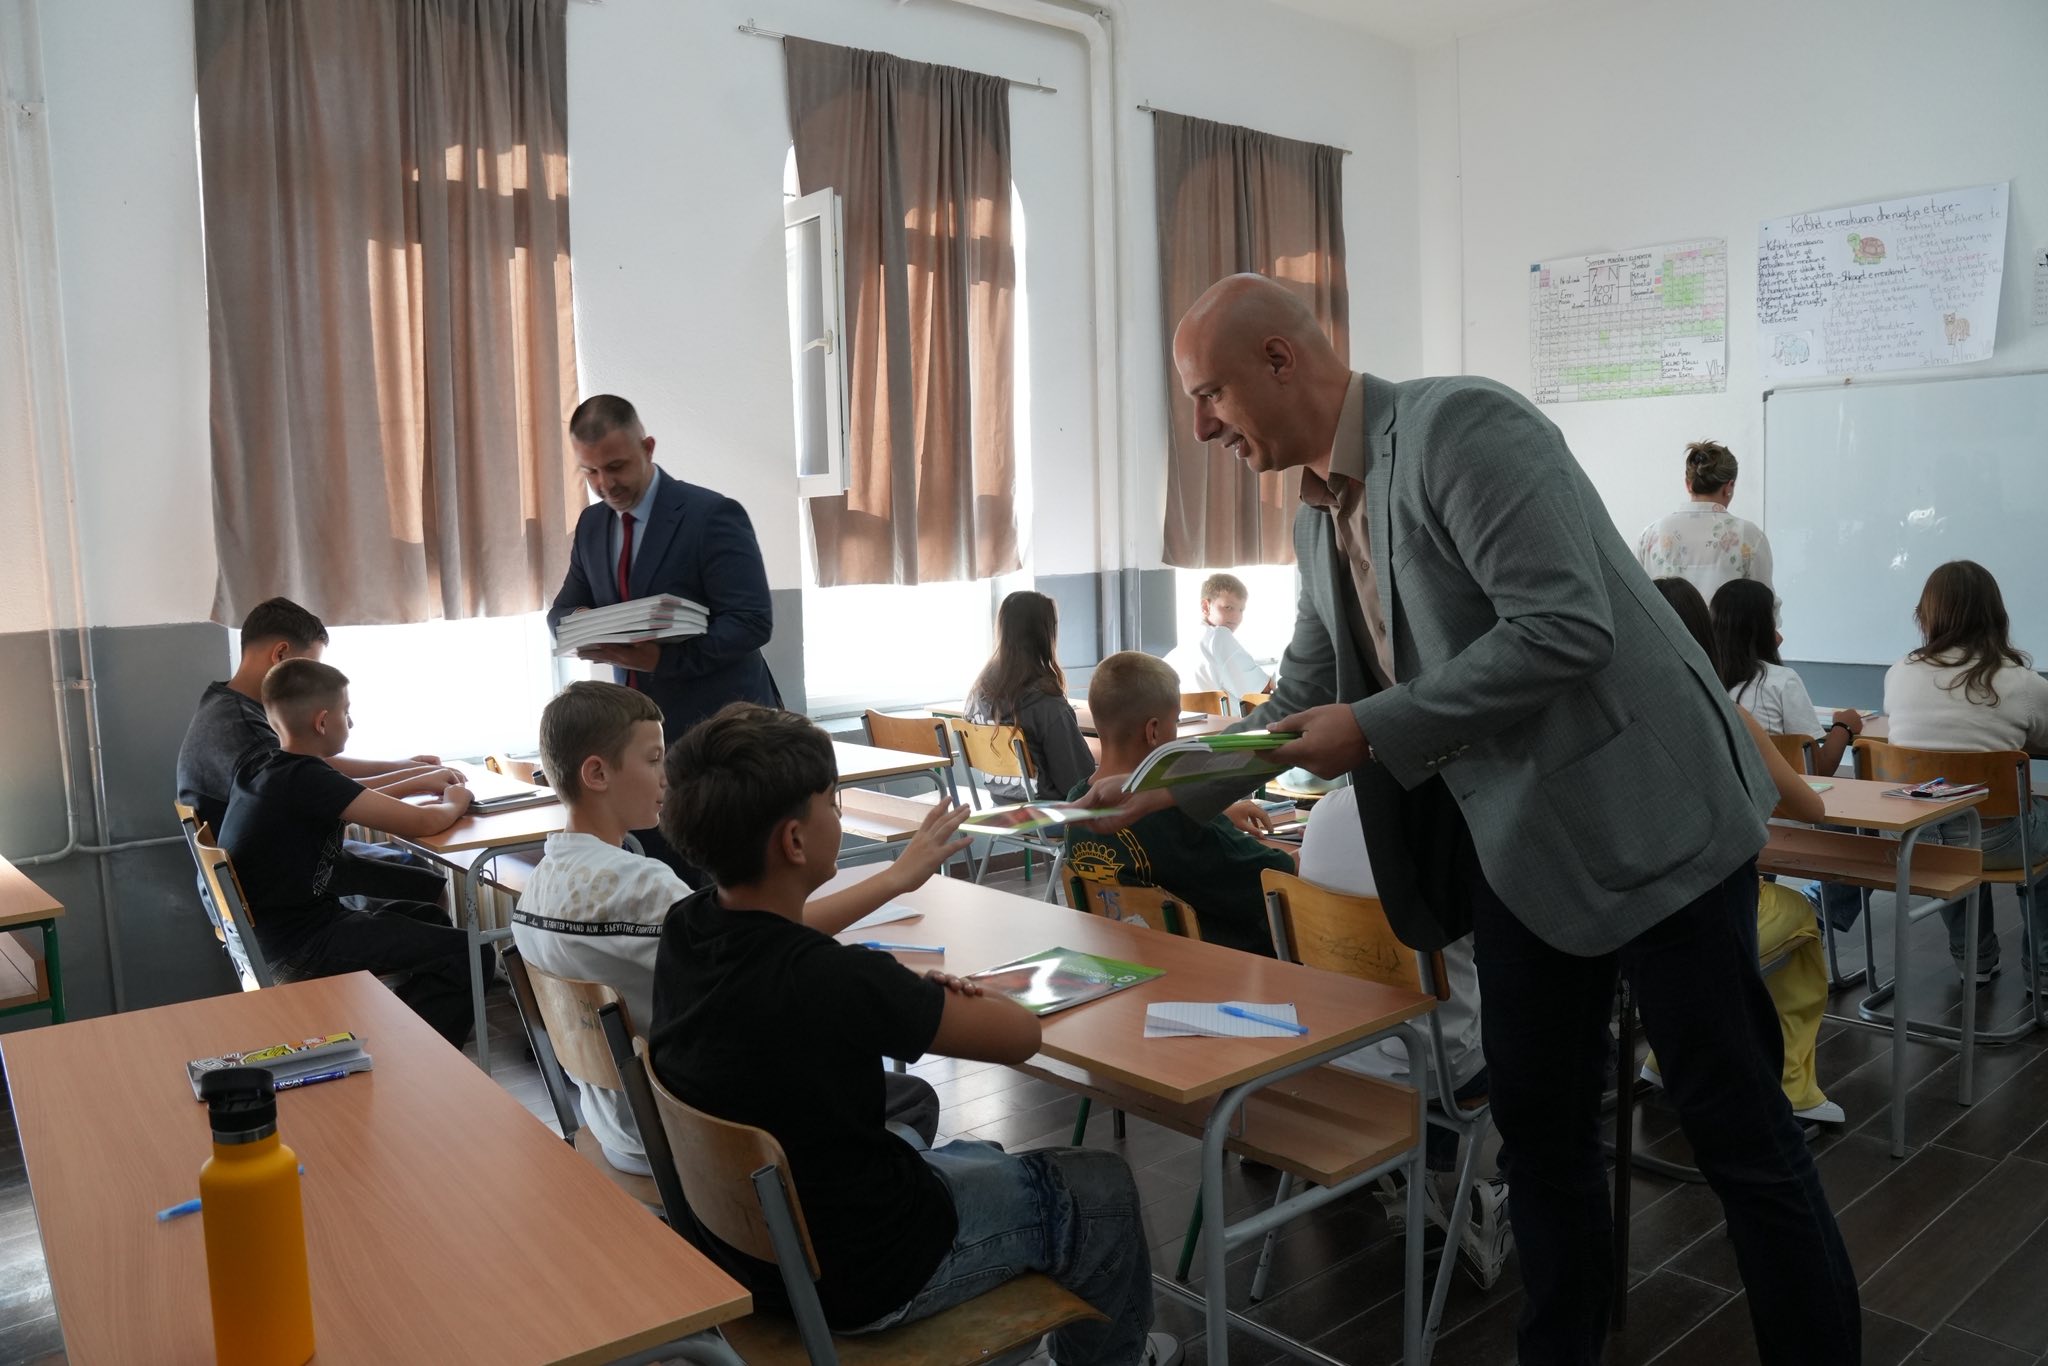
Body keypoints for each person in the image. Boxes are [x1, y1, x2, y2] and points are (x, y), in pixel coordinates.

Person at [1082, 273, 1856, 1365]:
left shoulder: (1459, 427)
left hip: (1651, 825)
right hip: (1520, 847)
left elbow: (1564, 626)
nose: (1203, 426)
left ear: (1279, 360)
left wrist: (1372, 726)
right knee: (1540, 1136)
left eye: (1209, 394)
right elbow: (1300, 692)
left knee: (1735, 1128)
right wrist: (1164, 780)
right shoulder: (1315, 514)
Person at [649, 703, 1176, 1365]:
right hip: (868, 1275)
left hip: (753, 1256)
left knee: (979, 1151)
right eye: (831, 802)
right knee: (1102, 1186)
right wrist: (940, 990)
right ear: (795, 841)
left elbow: (784, 935)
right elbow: (1019, 1036)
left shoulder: (688, 926)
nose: (838, 813)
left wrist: (897, 881)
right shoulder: (840, 980)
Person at [511, 680, 972, 1175]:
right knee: (907, 1097)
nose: (666, 776)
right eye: (653, 759)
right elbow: (762, 938)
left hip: (613, 1126)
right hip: (688, 1133)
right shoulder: (639, 885)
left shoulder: (536, 889)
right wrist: (895, 878)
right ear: (597, 773)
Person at [547, 394, 781, 872]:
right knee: (661, 881)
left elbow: (752, 621)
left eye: (616, 467)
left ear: (648, 447)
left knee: (726, 879)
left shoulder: (710, 515)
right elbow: (561, 611)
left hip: (720, 738)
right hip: (636, 743)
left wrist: (662, 659)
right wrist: (589, 626)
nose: (605, 484)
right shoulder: (593, 524)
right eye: (590, 472)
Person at [1296, 782, 1511, 1285]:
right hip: (1439, 1068)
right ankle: (1505, 1193)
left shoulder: (1324, 812)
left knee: (1429, 1009)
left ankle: (1418, 1177)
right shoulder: (1461, 819)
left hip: (1336, 1054)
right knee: (1546, 1040)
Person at [1653, 577, 1841, 1124]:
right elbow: (1812, 808)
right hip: (1706, 912)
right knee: (1799, 916)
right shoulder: (1727, 714)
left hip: (1623, 918)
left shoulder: (1602, 714)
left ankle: (1662, 1057)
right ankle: (1793, 1087)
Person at [217, 660, 479, 1046]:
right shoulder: (306, 778)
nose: (351, 722)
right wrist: (458, 799)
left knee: (430, 916)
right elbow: (424, 823)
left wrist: (417, 781)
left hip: (270, 939)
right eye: (346, 711)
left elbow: (355, 799)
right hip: (299, 947)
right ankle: (416, 1052)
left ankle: (401, 1034)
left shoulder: (267, 768)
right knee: (470, 952)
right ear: (323, 722)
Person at [175, 596, 451, 904]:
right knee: (427, 885)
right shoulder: (245, 730)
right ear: (281, 655)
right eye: (310, 666)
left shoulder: (226, 704)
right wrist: (413, 779)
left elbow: (318, 768)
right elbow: (323, 786)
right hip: (275, 882)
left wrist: (401, 767)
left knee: (416, 871)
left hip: (262, 870)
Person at [1882, 560, 2048, 984]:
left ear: (1926, 614)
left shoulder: (1899, 673)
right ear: (1996, 614)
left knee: (1946, 814)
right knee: (1998, 819)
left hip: (1914, 838)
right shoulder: (2021, 682)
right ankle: (2043, 970)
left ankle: (1974, 961)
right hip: (2000, 841)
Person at [1062, 651, 1287, 955]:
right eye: (1176, 722)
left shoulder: (1078, 802)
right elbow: (1275, 876)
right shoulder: (1174, 816)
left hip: (1125, 955)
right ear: (1153, 731)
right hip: (1218, 963)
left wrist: (1215, 810)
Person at [1712, 578, 1862, 774]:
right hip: (1776, 793)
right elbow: (1817, 768)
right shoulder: (1782, 681)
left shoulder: (1706, 679)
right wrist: (1843, 726)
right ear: (1766, 627)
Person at [964, 591, 1095, 803]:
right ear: (1045, 635)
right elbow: (1077, 784)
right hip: (1048, 812)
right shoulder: (1047, 705)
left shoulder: (977, 694)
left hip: (1001, 805)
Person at [1634, 439, 1774, 600]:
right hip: (1727, 618)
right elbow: (1766, 603)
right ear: (1729, 486)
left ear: (1688, 484)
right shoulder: (1750, 535)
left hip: (1664, 618)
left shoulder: (1650, 535)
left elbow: (1635, 597)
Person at [1166, 571, 1272, 709]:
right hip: (1228, 723)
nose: (1236, 617)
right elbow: (1263, 689)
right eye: (1228, 607)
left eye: (1241, 610)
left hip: (1191, 722)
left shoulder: (1181, 648)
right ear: (1205, 606)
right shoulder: (1219, 636)